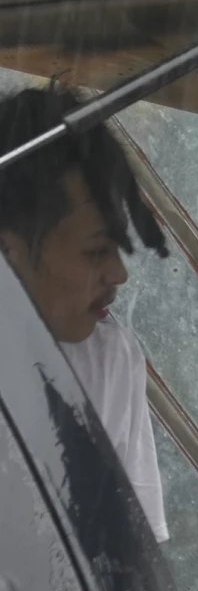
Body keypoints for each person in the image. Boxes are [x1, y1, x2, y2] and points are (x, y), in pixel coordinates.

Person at [0, 88, 169, 536]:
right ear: (7, 251)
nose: (118, 273)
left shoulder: (110, 362)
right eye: (96, 251)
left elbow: (127, 560)